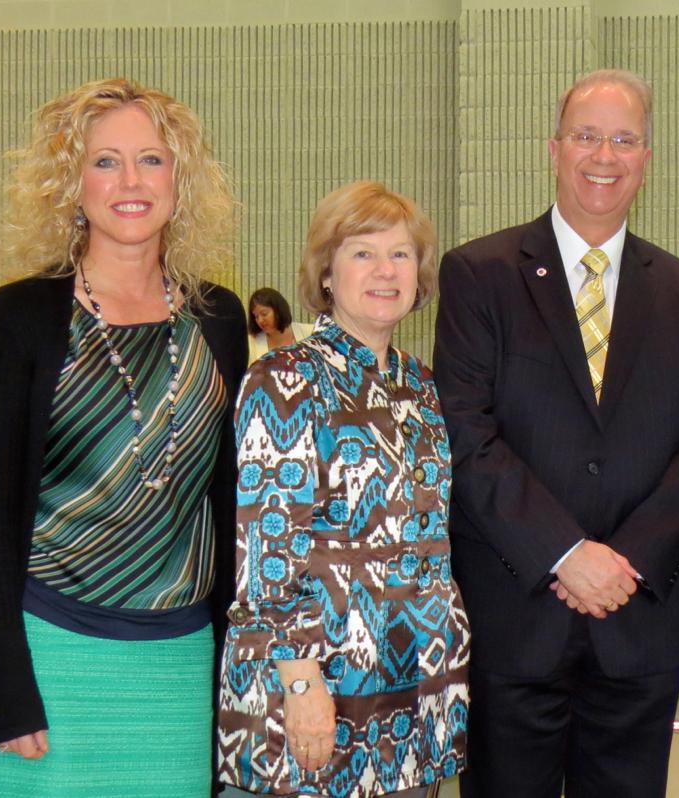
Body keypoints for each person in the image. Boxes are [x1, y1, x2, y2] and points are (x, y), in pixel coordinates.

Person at [433, 68, 679, 798]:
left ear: (647, 159)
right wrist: (564, 554)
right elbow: (466, 434)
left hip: (637, 625)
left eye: (625, 140)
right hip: (516, 619)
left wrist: (624, 561)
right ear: (555, 147)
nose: (605, 156)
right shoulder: (480, 274)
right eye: (588, 136)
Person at [0, 77, 246, 797]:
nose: (130, 181)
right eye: (104, 161)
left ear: (181, 179)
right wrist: (2, 680)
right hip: (49, 660)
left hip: (179, 664)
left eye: (151, 159)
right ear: (70, 183)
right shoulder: (18, 318)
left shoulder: (218, 319)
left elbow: (232, 503)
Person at [216, 180, 470, 798]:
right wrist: (301, 685)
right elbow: (266, 552)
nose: (385, 271)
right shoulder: (285, 382)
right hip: (315, 691)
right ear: (326, 274)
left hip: (417, 694)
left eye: (401, 254)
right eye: (362, 253)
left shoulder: (422, 386)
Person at [246, 286, 313, 362]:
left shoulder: (310, 332)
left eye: (264, 314)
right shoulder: (251, 343)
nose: (260, 320)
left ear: (278, 310)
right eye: (256, 316)